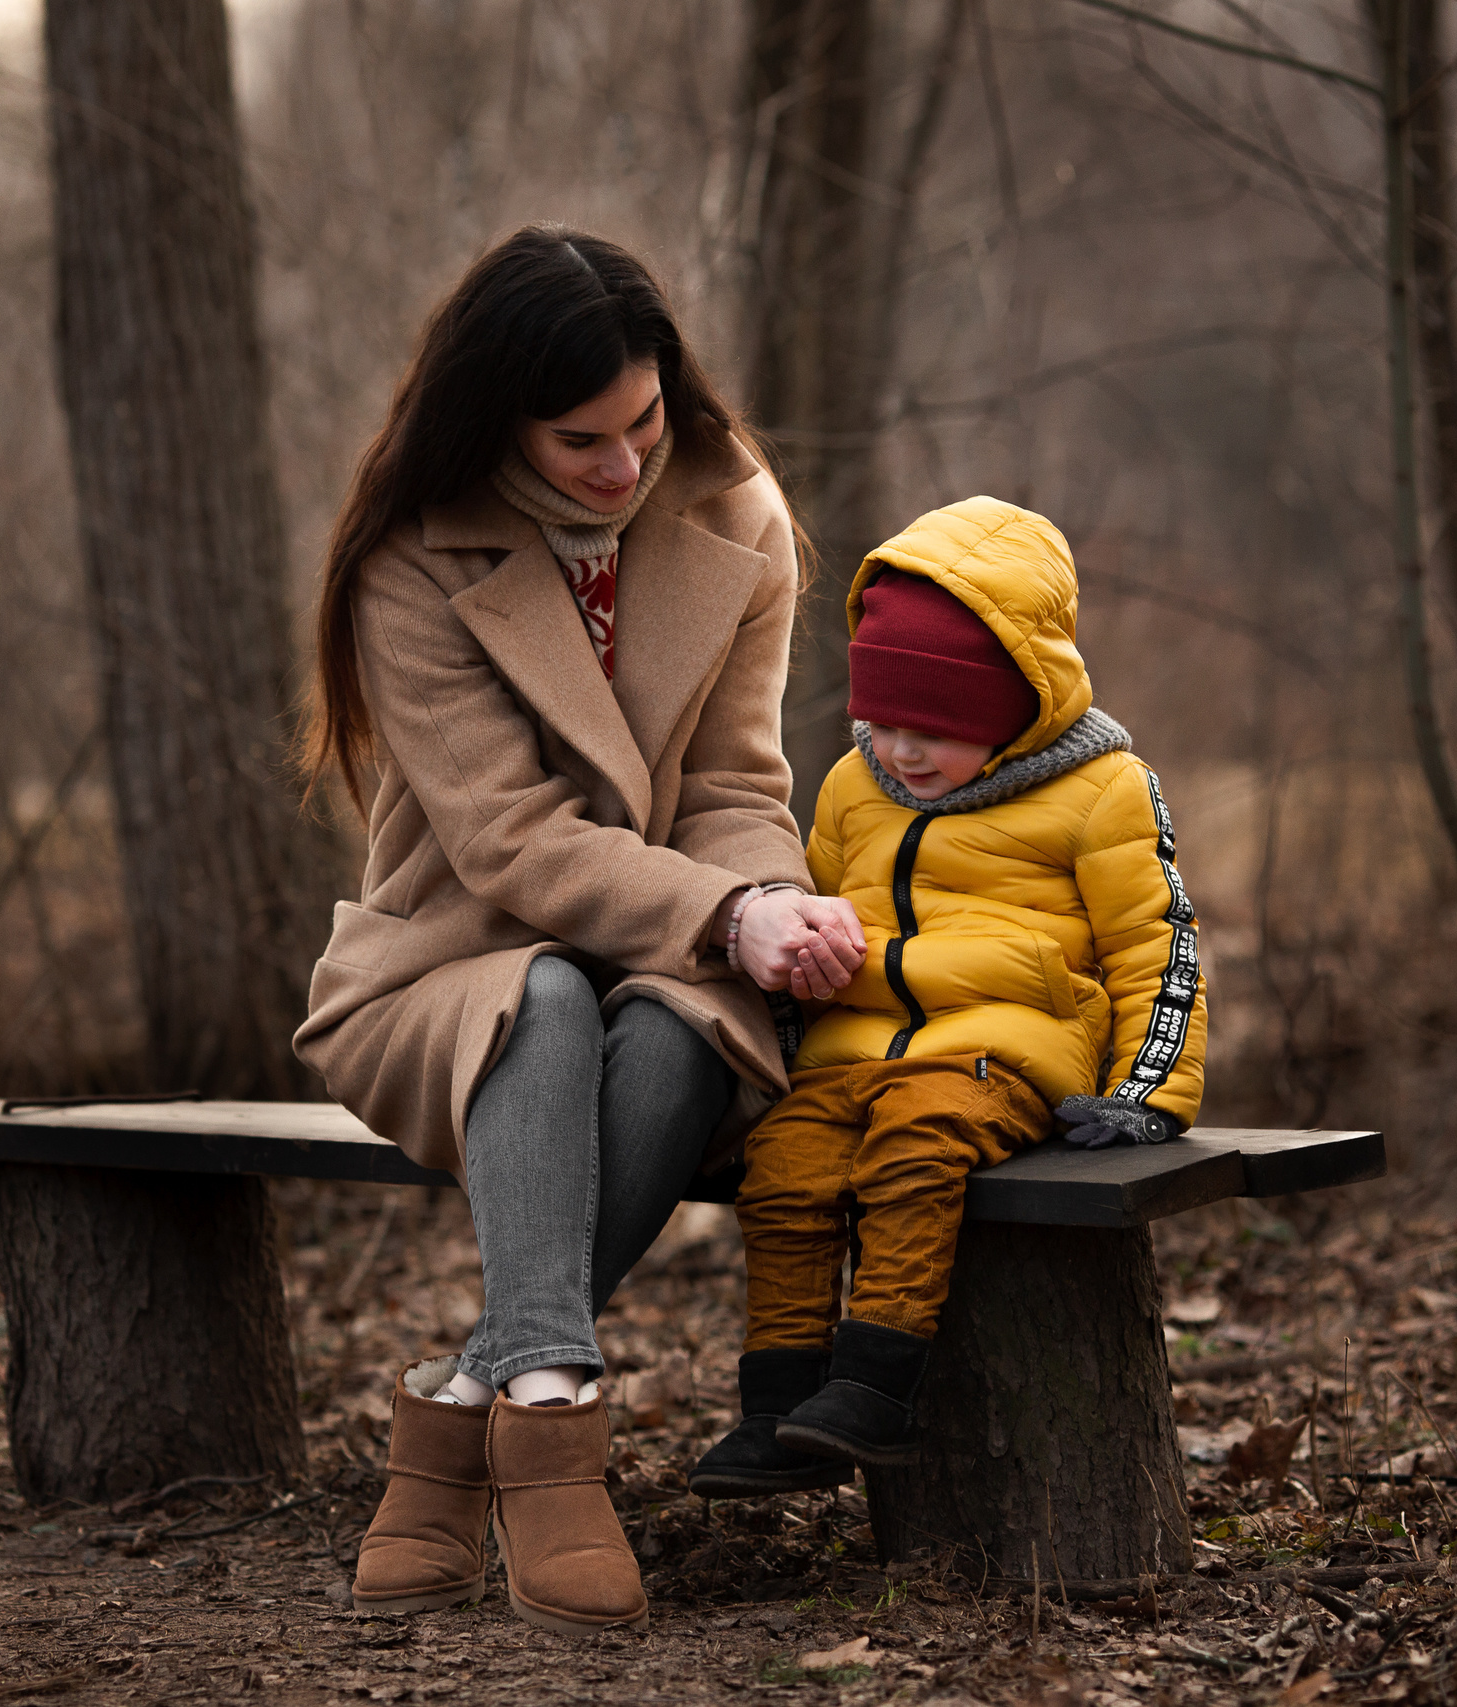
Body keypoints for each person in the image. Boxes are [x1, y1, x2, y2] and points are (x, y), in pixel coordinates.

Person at [293, 225, 865, 1636]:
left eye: (645, 421)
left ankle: (479, 1396)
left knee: (678, 1037)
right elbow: (508, 843)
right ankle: (554, 1418)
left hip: (671, 952)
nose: (624, 466)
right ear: (497, 421)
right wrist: (725, 909)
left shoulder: (735, 514)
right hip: (443, 963)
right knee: (539, 995)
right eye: (579, 440)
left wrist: (764, 904)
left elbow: (737, 781)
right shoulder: (411, 561)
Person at [687, 496, 1210, 1497]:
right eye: (880, 724)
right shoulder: (851, 787)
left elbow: (1159, 945)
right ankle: (778, 1405)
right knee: (784, 1172)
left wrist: (1149, 1094)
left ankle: (875, 1385)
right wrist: (786, 995)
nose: (902, 753)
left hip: (999, 1057)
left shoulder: (1100, 790)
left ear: (1017, 704)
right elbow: (809, 914)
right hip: (849, 1056)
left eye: (933, 731)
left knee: (916, 1148)